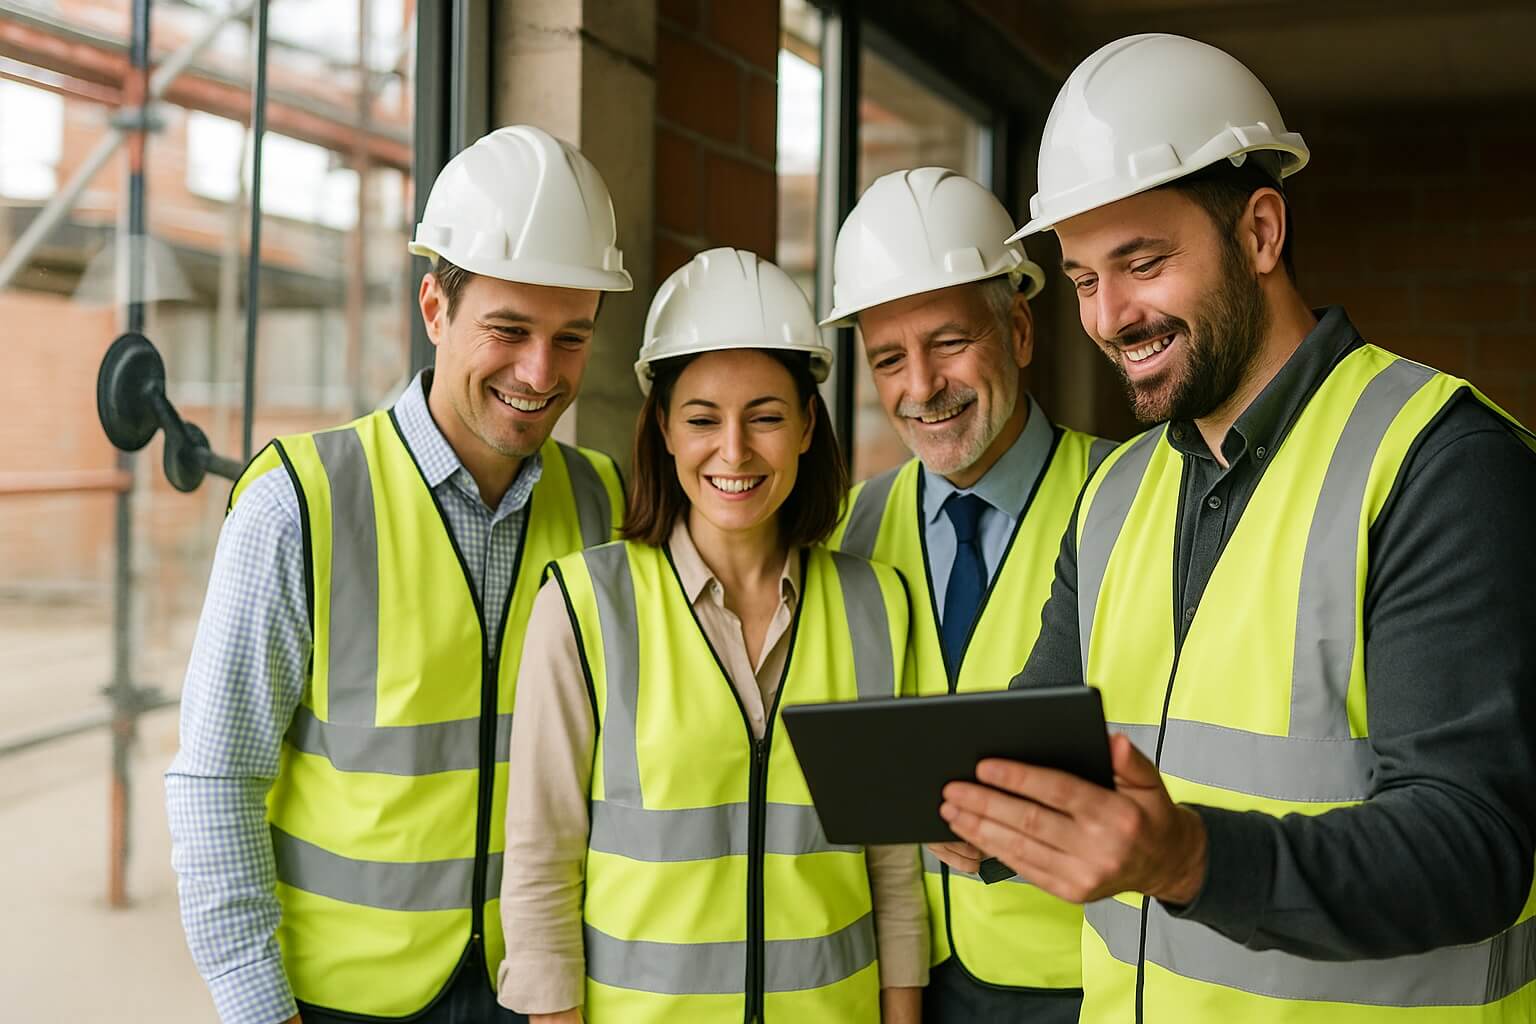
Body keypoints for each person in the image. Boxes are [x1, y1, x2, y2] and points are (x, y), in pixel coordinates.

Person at [929, 32, 1536, 1023]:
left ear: (1259, 232)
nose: (1109, 317)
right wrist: (983, 812)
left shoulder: (1440, 463)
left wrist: (1190, 858)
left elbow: (1471, 845)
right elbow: (1043, 747)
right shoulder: (1116, 493)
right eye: (1083, 280)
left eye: (1142, 263)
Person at [166, 125, 633, 1024]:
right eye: (509, 330)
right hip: (339, 1003)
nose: (540, 372)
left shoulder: (604, 504)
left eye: (571, 337)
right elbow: (217, 779)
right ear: (434, 309)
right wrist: (260, 1008)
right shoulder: (299, 505)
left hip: (538, 993)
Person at [496, 246, 928, 1023]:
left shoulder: (876, 606)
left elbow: (894, 872)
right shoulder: (585, 607)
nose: (734, 451)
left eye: (766, 417)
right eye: (702, 420)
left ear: (806, 426)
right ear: (663, 428)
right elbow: (542, 866)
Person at [825, 167, 1111, 1023]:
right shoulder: (852, 530)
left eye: (949, 343)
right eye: (889, 359)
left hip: (1084, 983)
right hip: (913, 981)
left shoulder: (1131, 499)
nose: (921, 386)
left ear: (1018, 331)